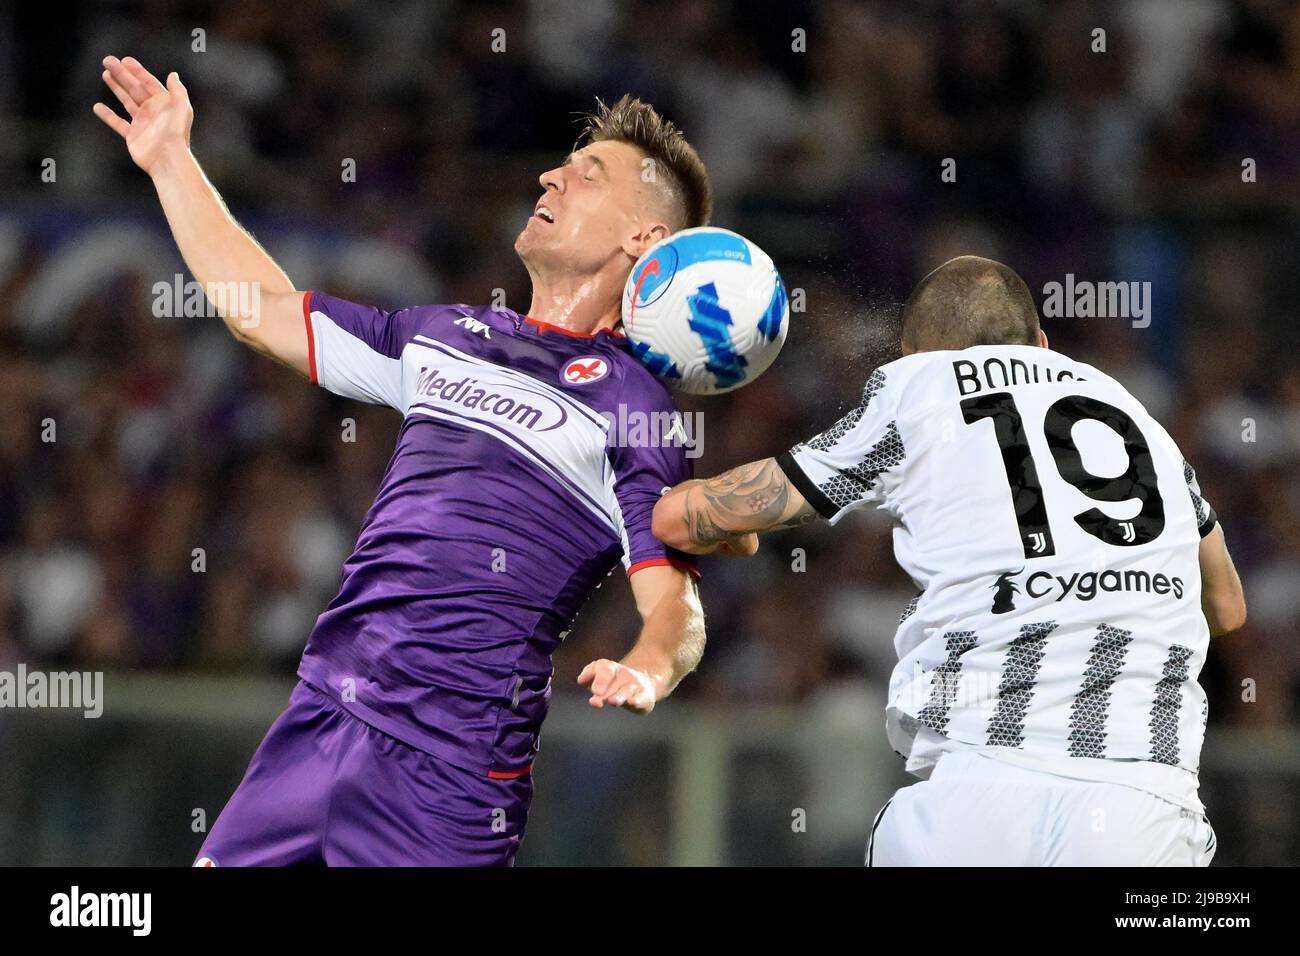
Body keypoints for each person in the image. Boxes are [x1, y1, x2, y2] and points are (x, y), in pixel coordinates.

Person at [95, 55, 710, 866]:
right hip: (316, 724)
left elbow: (676, 606)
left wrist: (649, 670)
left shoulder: (632, 406)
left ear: (644, 239)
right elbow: (261, 312)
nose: (551, 177)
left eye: (588, 173)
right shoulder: (444, 334)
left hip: (446, 779)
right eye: (564, 163)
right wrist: (172, 160)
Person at [653, 255, 1247, 866]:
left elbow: (683, 519)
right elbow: (1226, 607)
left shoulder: (922, 387)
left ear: (913, 356)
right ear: (1043, 345)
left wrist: (723, 523)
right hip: (1143, 803)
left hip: (978, 792)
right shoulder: (1137, 417)